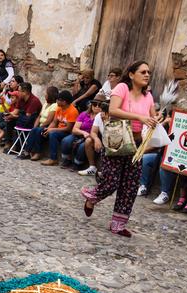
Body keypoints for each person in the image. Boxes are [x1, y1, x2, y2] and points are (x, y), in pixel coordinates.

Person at [81, 60, 159, 237]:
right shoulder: (122, 88)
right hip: (118, 138)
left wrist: (158, 119)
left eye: (149, 72)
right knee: (111, 181)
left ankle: (118, 224)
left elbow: (152, 116)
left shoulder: (148, 96)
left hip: (137, 144)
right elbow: (114, 110)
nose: (147, 75)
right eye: (143, 72)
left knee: (130, 186)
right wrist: (140, 117)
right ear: (132, 74)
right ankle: (92, 196)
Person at [34, 90, 78, 166]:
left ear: (64, 102)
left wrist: (52, 130)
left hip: (67, 132)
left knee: (53, 134)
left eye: (58, 100)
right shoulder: (59, 108)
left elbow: (68, 128)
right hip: (59, 129)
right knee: (41, 130)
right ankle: (37, 152)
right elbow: (54, 122)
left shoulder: (72, 111)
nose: (56, 101)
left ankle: (53, 159)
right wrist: (48, 129)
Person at [59, 100, 102, 169]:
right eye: (94, 104)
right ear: (91, 105)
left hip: (91, 137)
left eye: (99, 105)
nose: (96, 106)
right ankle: (67, 159)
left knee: (82, 146)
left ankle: (78, 163)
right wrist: (83, 132)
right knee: (66, 140)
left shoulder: (102, 117)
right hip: (79, 134)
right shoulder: (84, 114)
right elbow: (74, 129)